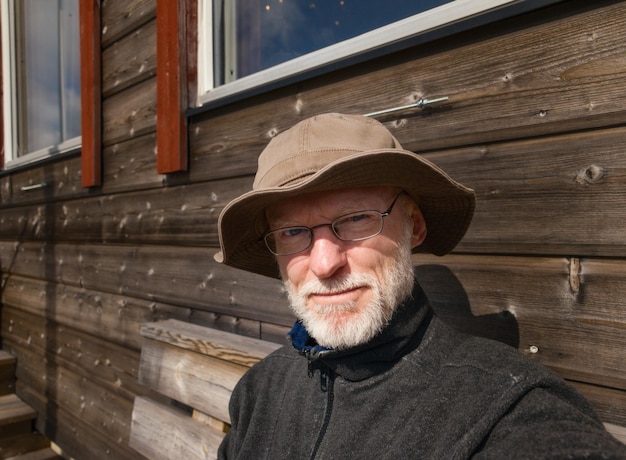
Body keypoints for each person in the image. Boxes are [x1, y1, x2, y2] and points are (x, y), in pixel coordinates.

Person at [214, 113, 626, 459]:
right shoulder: (259, 391)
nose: (324, 263)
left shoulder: (504, 406)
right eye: (291, 232)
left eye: (357, 218)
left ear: (413, 225)